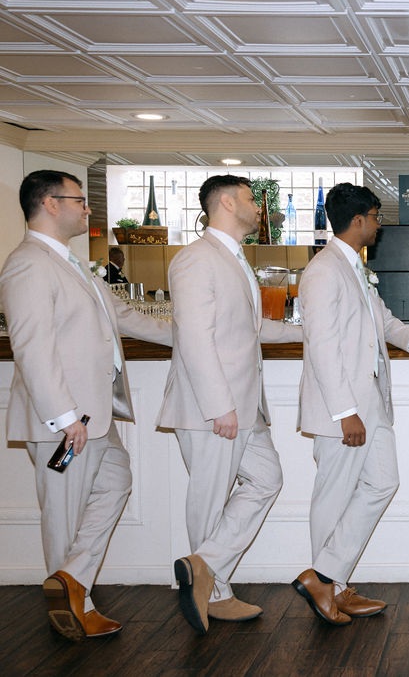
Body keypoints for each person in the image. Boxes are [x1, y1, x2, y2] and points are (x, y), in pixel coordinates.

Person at [0, 170, 171, 640]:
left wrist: (197, 336)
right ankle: (73, 607)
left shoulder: (73, 263)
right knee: (63, 512)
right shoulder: (28, 264)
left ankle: (70, 580)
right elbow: (31, 347)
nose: (89, 208)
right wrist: (64, 418)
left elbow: (128, 317)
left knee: (116, 481)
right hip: (65, 421)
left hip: (95, 416)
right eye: (79, 200)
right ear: (50, 204)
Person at [157, 174, 302, 634]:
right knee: (209, 497)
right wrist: (219, 406)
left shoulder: (233, 257)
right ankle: (214, 593)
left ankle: (204, 567)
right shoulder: (195, 259)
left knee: (267, 478)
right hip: (213, 408)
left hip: (243, 407)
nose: (258, 208)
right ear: (224, 202)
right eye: (248, 199)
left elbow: (254, 330)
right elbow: (195, 339)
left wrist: (313, 333)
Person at [291, 183, 409, 625]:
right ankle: (330, 588)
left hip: (370, 404)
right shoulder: (322, 271)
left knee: (382, 482)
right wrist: (344, 412)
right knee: (332, 498)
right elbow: (322, 345)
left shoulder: (353, 266)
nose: (379, 224)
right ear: (358, 220)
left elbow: (383, 321)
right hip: (344, 410)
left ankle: (327, 578)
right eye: (376, 216)